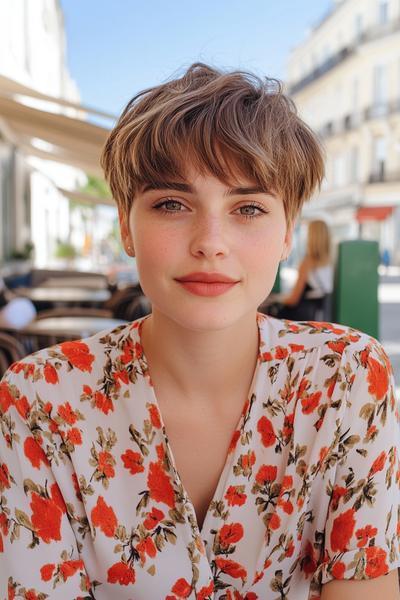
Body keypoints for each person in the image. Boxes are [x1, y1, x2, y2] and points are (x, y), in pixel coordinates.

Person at [0, 63, 399, 600]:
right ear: (125, 227)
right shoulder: (38, 399)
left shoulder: (346, 378)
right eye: (171, 203)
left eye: (249, 208)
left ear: (288, 235)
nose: (211, 241)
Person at [270, 220, 334, 321]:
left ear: (312, 238)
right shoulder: (331, 263)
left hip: (305, 318)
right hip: (323, 317)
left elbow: (293, 300)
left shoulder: (307, 263)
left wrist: (277, 298)